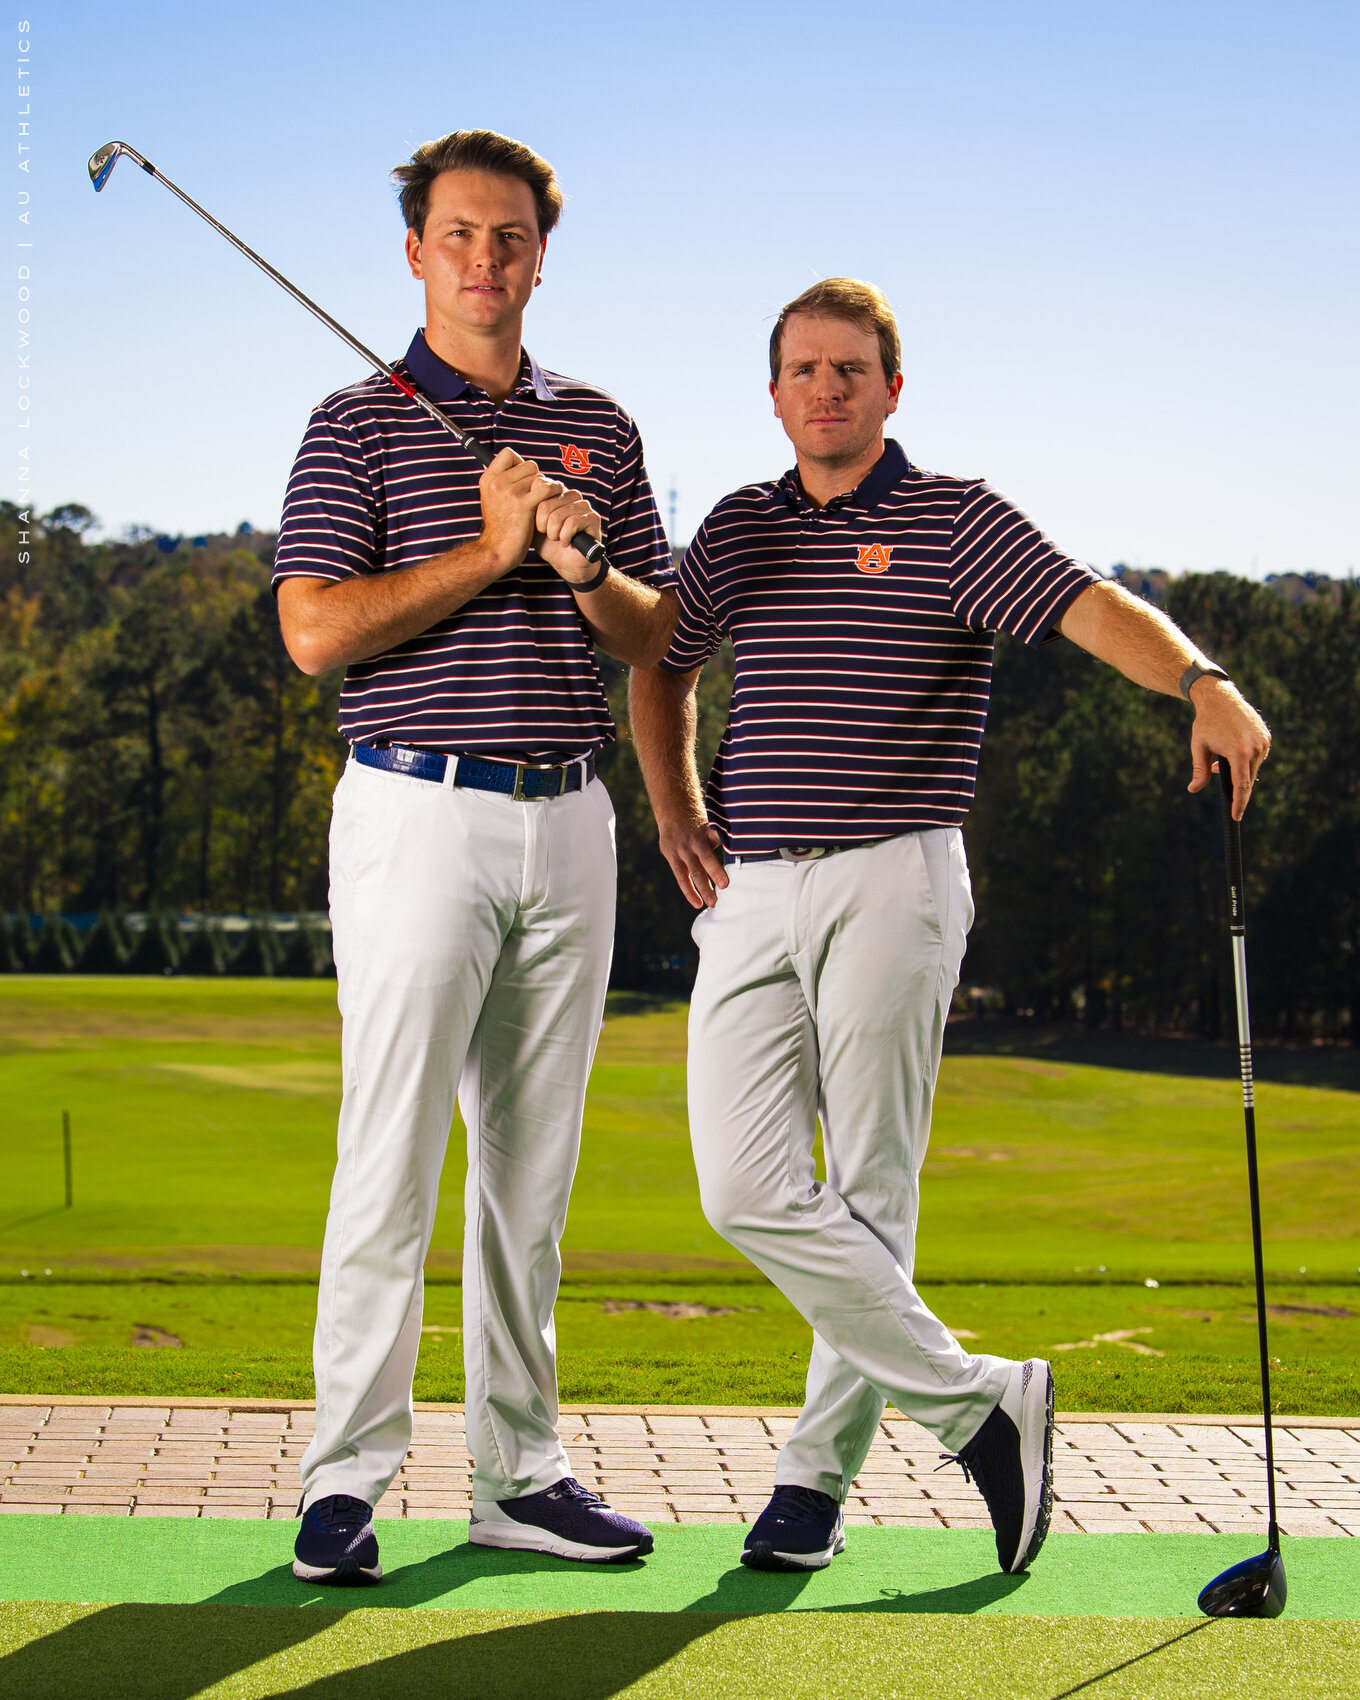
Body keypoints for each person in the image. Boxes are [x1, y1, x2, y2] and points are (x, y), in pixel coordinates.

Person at [628, 278, 1270, 1578]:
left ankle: (811, 1483)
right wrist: (672, 805)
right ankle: (984, 1408)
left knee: (869, 1187)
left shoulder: (953, 519)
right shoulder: (741, 526)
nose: (826, 388)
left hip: (896, 876)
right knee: (742, 1186)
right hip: (750, 886)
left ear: (891, 388)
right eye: (804, 370)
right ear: (773, 393)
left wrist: (1200, 677)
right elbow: (660, 659)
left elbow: (1093, 607)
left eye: (851, 370)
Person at [273, 129, 677, 1582]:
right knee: (390, 1153)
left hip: (572, 814)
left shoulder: (601, 428)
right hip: (416, 808)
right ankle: (344, 1485)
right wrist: (493, 553)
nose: (485, 260)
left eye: (510, 236)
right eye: (459, 235)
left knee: (532, 1173)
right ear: (415, 251)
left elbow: (656, 637)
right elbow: (315, 630)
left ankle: (520, 1473)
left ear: (540, 254)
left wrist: (586, 570)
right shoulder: (355, 421)